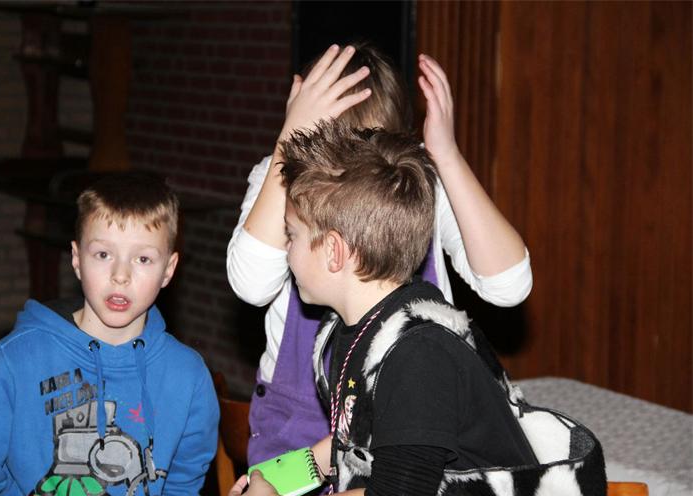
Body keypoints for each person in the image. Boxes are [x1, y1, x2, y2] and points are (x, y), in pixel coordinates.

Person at [230, 121, 605, 496]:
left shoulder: (418, 356)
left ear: (333, 251)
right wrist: (276, 482)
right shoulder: (359, 326)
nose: (286, 249)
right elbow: (352, 441)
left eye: (291, 234)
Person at [226, 43, 532, 465]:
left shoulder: (413, 184)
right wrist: (285, 153)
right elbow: (251, 284)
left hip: (412, 421)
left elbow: (508, 286)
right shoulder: (279, 176)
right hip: (301, 429)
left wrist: (446, 156)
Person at [0, 173, 219, 496]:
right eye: (103, 254)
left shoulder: (188, 377)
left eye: (143, 259)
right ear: (76, 259)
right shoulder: (15, 361)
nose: (120, 276)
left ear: (168, 270)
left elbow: (181, 487)